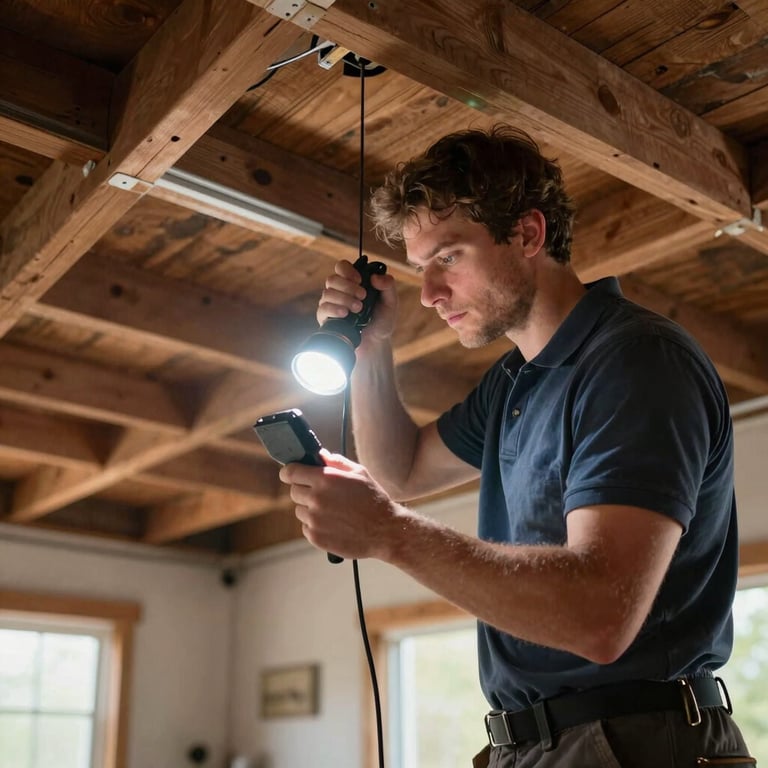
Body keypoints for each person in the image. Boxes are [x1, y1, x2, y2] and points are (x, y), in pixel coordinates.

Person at [278, 125, 754, 767]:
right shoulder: (514, 381)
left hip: (633, 740)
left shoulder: (634, 362)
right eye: (422, 270)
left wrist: (391, 535)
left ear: (529, 234)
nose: (431, 295)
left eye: (449, 257)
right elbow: (402, 471)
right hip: (536, 743)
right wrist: (371, 346)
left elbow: (599, 615)